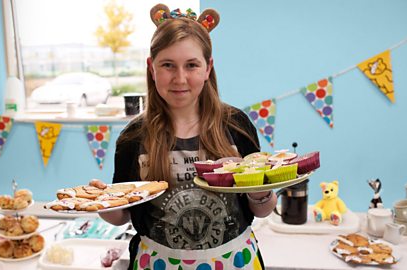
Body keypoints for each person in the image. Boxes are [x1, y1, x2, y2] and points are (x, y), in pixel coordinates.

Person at [99, 4, 277, 269]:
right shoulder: (133, 137)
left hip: (234, 261)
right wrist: (101, 203)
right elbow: (122, 215)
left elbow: (261, 210)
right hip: (158, 263)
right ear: (152, 68)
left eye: (191, 65)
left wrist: (261, 192)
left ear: (208, 68)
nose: (180, 78)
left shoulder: (236, 126)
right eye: (168, 65)